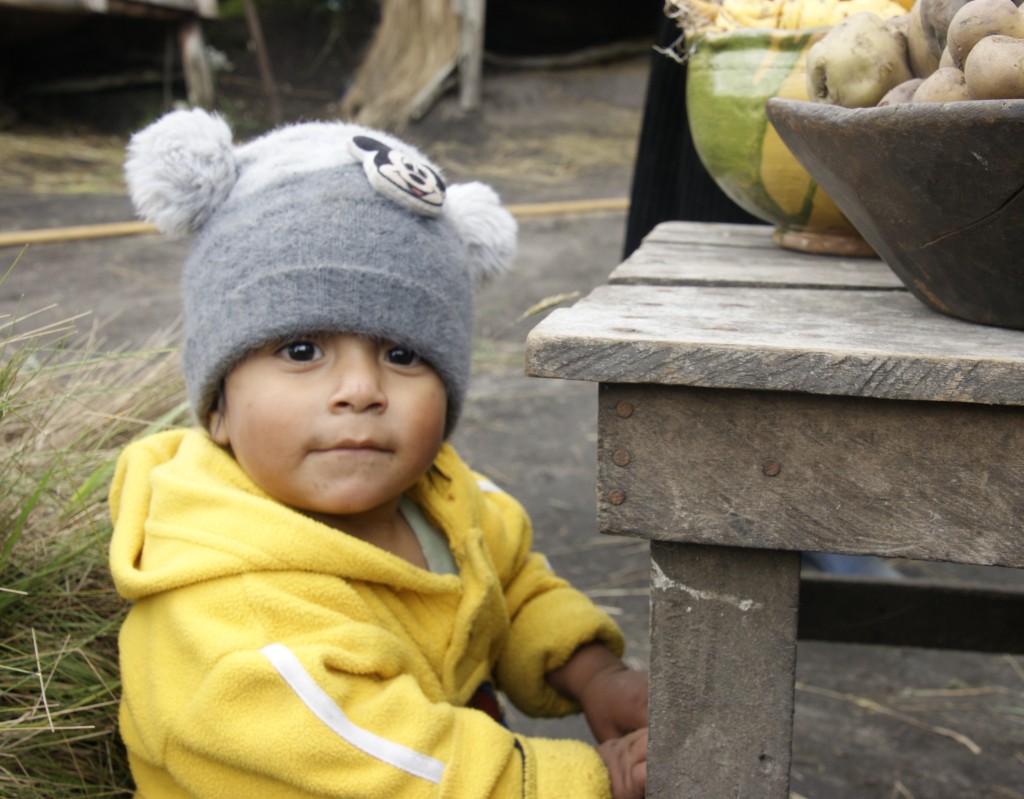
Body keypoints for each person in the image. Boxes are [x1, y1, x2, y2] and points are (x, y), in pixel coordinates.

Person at [109, 109, 648, 798]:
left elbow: (508, 586)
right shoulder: (235, 620)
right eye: (301, 350)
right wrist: (593, 778)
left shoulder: (444, 498)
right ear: (217, 405)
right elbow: (389, 771)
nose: (361, 390)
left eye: (402, 355)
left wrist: (594, 674)